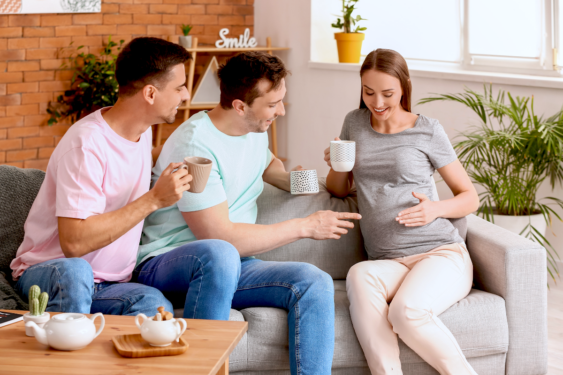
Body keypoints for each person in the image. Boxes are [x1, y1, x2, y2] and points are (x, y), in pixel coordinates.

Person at [138, 51, 361, 375]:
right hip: (169, 260)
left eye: (281, 101)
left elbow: (267, 165)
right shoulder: (197, 146)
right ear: (240, 106)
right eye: (272, 105)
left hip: (231, 263)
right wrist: (305, 226)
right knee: (218, 254)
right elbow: (220, 237)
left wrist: (309, 181)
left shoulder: (253, 131)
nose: (281, 111)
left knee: (314, 282)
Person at [10, 37, 235, 317]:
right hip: (53, 273)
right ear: (150, 94)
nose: (186, 96)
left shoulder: (141, 132)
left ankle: (203, 361)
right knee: (76, 271)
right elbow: (74, 244)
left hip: (110, 284)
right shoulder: (86, 144)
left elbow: (126, 159)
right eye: (179, 87)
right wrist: (154, 199)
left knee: (155, 307)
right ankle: (69, 357)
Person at [324, 49, 480, 375]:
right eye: (369, 92)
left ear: (404, 87)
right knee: (359, 274)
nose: (377, 101)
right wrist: (338, 164)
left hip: (439, 253)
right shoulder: (354, 122)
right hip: (387, 261)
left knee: (406, 312)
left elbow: (469, 197)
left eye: (387, 93)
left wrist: (435, 209)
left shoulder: (428, 130)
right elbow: (338, 189)